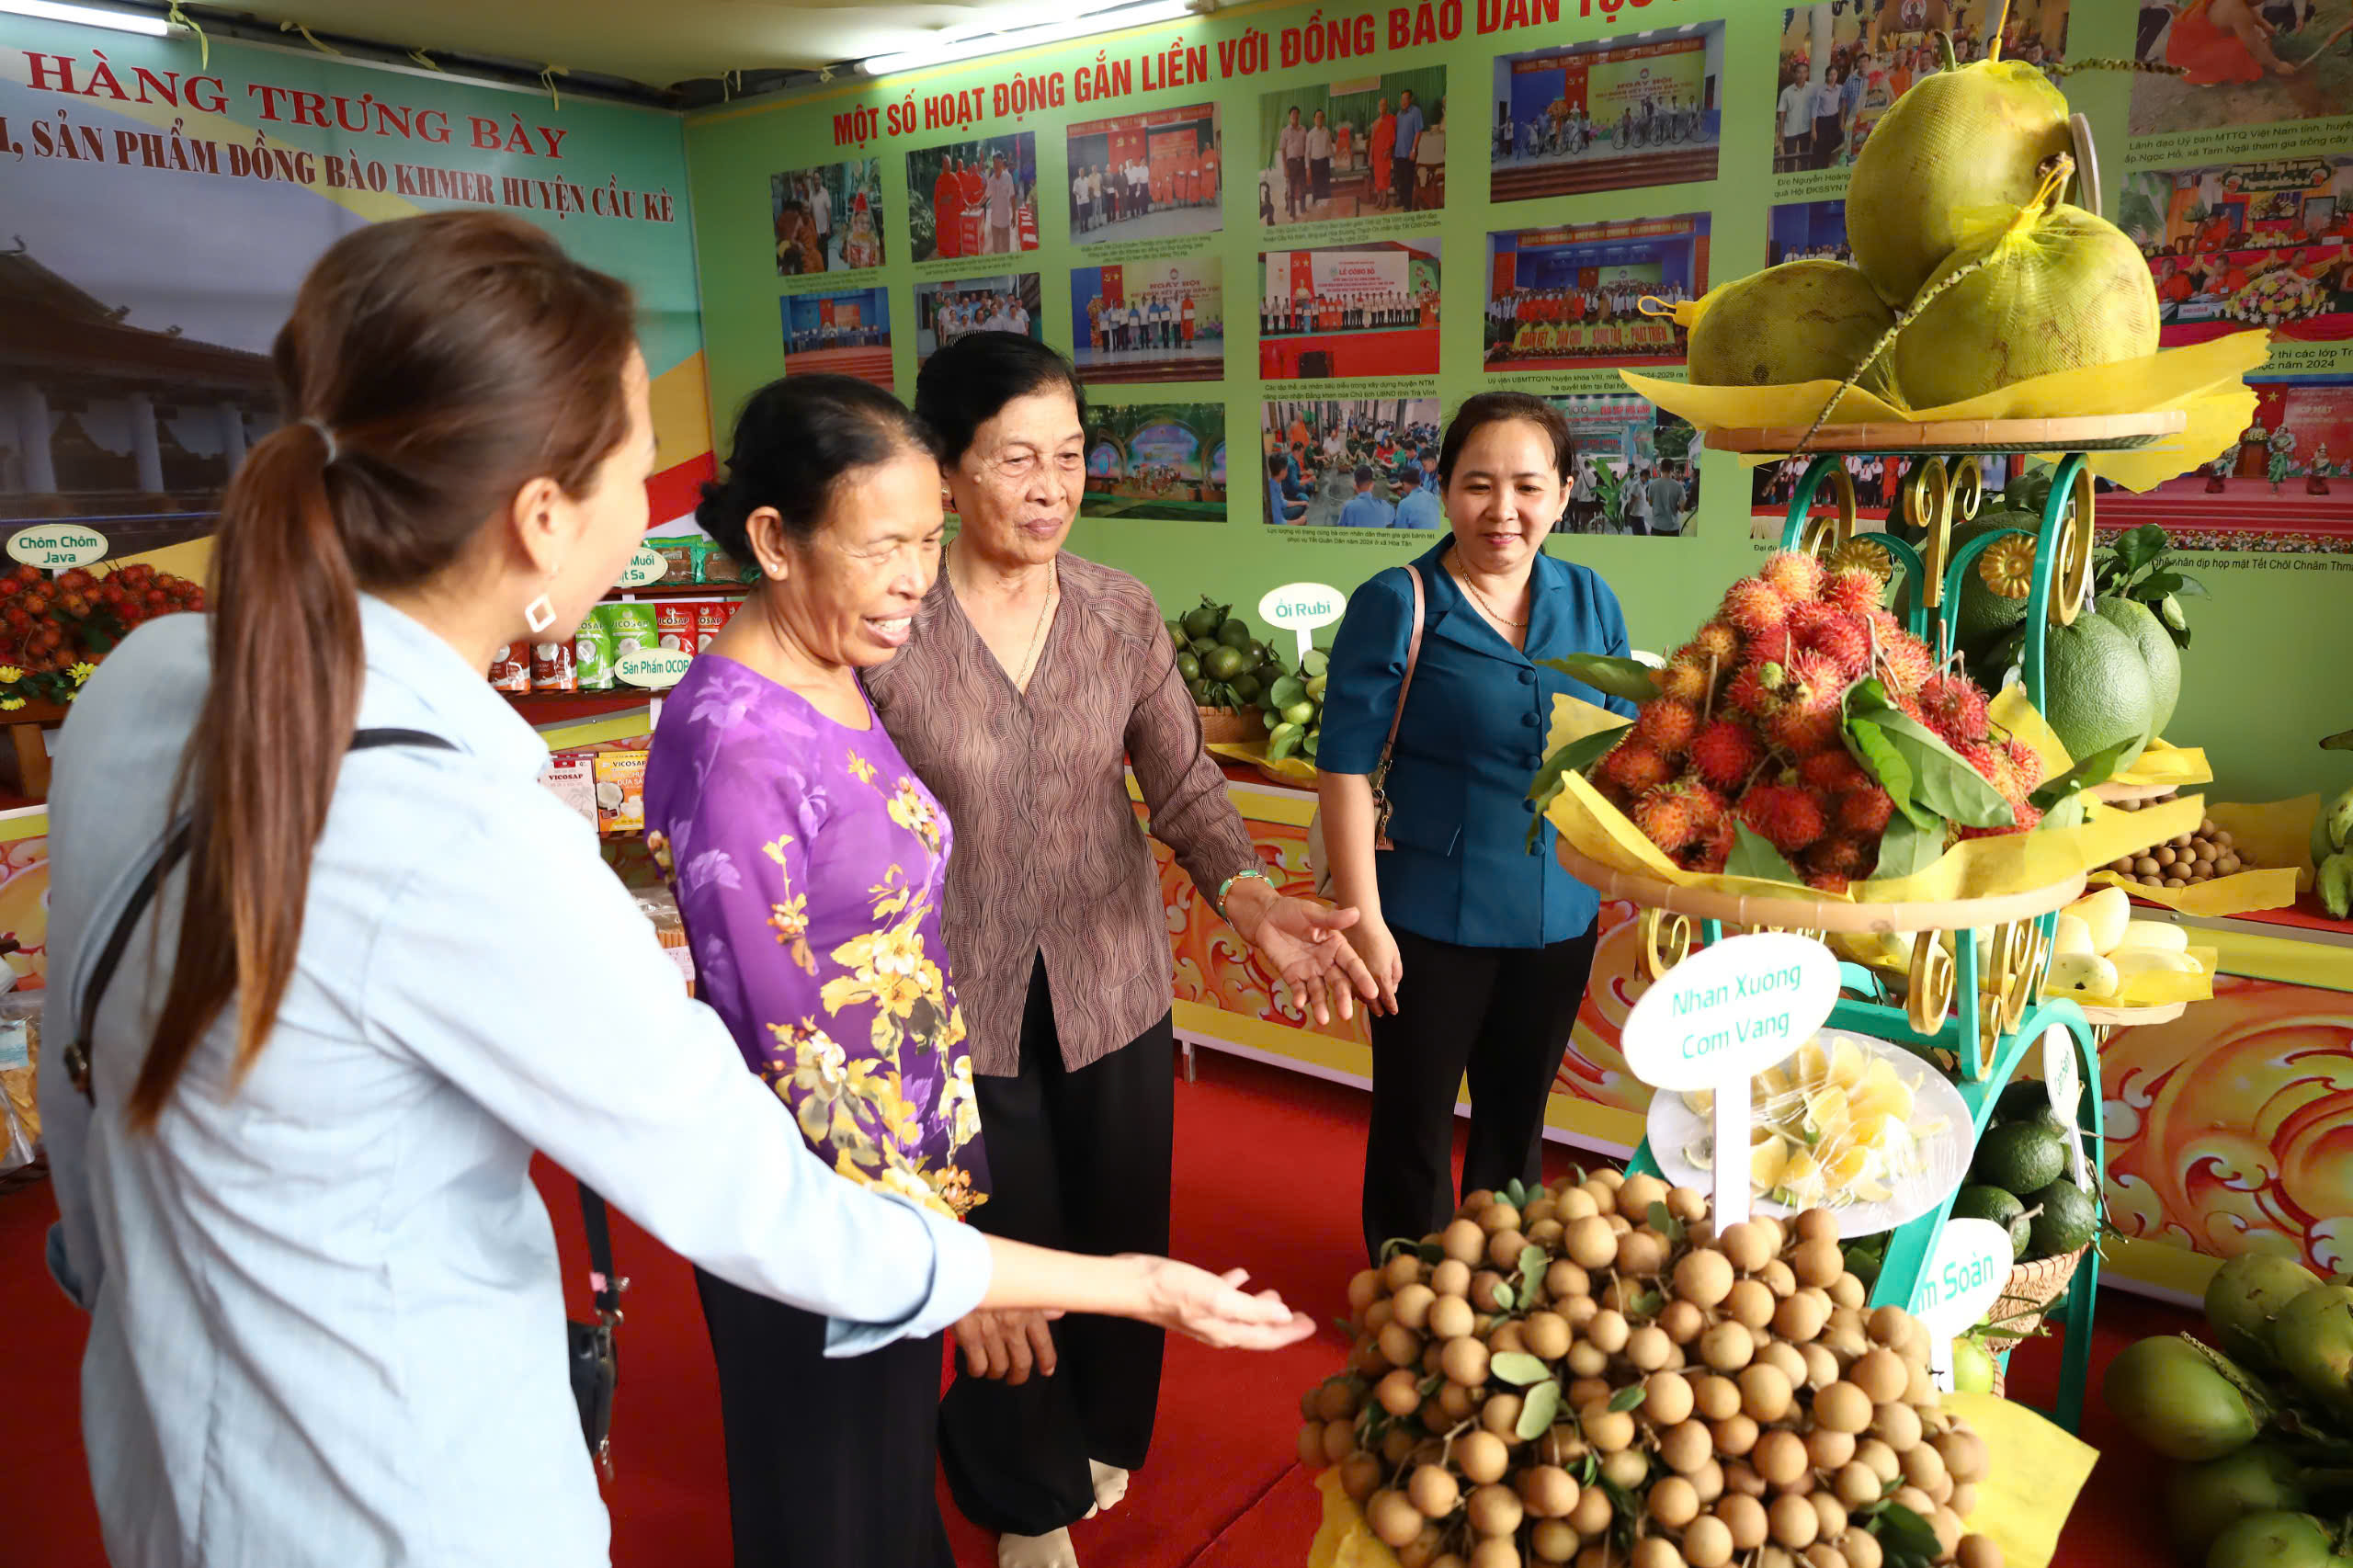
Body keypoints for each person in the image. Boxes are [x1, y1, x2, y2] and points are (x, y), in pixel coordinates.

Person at [35, 214, 1312, 1568]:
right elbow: (759, 1190)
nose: (658, 510)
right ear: (543, 517)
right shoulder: (477, 839)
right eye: (641, 473)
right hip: (396, 1488)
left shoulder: (152, 679)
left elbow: (81, 1073)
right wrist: (1119, 1282)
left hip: (179, 1427)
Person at [865, 334, 1376, 1568]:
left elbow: (1186, 787)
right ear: (943, 469)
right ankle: (1022, 1499)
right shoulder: (888, 625)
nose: (1051, 487)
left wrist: (1255, 902)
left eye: (1072, 457)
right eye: (1017, 460)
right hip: (955, 1001)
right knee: (1011, 1250)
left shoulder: (1118, 611)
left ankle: (1098, 1432)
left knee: (1117, 1216)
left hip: (1111, 985)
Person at [1314, 392, 1637, 1266]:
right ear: (1444, 489)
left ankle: (1502, 1295)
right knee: (1415, 1120)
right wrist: (1365, 920)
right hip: (1425, 922)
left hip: (1559, 916)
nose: (1505, 511)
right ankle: (1408, 1295)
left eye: (1529, 487)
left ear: (1565, 494)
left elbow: (1613, 750)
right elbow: (1342, 769)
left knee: (1517, 1118)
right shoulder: (1400, 601)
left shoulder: (1589, 598)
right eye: (1478, 485)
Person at [1392, 89, 1425, 211]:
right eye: (1402, 99)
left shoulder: (1416, 111)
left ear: (1410, 100)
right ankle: (1401, 199)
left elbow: (1418, 132)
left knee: (1408, 181)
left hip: (1408, 153)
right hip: (1398, 153)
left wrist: (1413, 149)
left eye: (1406, 98)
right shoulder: (1399, 114)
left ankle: (1407, 205)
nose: (1403, 101)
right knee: (1399, 179)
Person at [1338, 464, 1393, 528]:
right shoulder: (1384, 506)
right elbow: (1391, 518)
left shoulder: (1348, 507)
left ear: (1355, 485)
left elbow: (1341, 528)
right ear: (1372, 485)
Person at [985, 153, 1018, 256]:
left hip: (1005, 222)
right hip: (994, 222)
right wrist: (976, 204)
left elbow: (1013, 197)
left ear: (1002, 162)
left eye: (998, 162)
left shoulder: (1008, 177)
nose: (995, 165)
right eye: (994, 162)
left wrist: (1014, 216)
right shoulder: (991, 180)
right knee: (996, 250)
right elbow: (986, 196)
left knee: (1005, 249)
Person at [1279, 108, 1310, 219]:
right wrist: (1285, 167)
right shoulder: (1285, 131)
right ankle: (1292, 214)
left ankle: (1302, 209)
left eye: (1297, 114)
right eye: (1293, 114)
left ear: (1299, 116)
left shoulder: (1303, 130)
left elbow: (1306, 148)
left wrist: (1307, 165)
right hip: (1290, 164)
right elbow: (1283, 150)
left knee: (1303, 188)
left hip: (1301, 162)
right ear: (1289, 116)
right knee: (1291, 191)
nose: (1295, 116)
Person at [1645, 460, 1688, 537]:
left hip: (1657, 526)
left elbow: (1650, 503)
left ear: (1660, 468)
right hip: (1673, 528)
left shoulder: (1652, 485)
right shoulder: (1679, 486)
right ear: (1673, 469)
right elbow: (1682, 509)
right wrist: (1675, 505)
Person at [1778, 71, 1813, 165]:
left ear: (1807, 74)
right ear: (1794, 74)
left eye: (1804, 72)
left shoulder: (1812, 88)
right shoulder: (1786, 92)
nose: (1802, 75)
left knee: (1805, 160)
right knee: (1789, 161)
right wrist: (1781, 131)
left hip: (1806, 130)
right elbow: (1782, 112)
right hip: (1790, 131)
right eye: (1799, 72)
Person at [1370, 96, 1397, 209]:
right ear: (1378, 108)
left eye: (1385, 104)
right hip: (1376, 154)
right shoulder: (1375, 123)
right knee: (1378, 177)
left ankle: (1385, 200)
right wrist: (1370, 157)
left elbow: (1392, 138)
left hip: (1386, 153)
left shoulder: (1391, 119)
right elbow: (1372, 141)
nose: (1382, 107)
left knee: (1385, 176)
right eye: (1381, 105)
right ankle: (1379, 199)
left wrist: (1388, 150)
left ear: (1387, 107)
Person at [1308, 109, 1334, 208]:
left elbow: (1330, 148)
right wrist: (1308, 168)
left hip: (1325, 163)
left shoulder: (1327, 131)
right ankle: (1317, 209)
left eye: (1321, 117)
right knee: (1316, 187)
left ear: (1324, 119)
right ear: (1314, 119)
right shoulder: (1310, 134)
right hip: (1315, 164)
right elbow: (1307, 153)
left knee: (1326, 186)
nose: (1319, 119)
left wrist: (1334, 156)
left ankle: (1326, 208)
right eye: (1317, 117)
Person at [810, 175, 835, 268]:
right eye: (814, 179)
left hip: (824, 229)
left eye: (818, 179)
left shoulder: (825, 192)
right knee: (817, 252)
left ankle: (826, 271)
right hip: (815, 230)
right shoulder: (811, 193)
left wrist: (828, 227)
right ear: (813, 181)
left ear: (820, 180)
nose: (816, 181)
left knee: (824, 253)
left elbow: (829, 211)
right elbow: (810, 209)